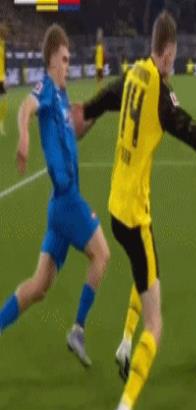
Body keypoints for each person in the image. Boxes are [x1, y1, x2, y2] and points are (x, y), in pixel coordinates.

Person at [73, 11, 196, 410]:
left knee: (145, 272)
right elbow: (190, 130)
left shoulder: (133, 74)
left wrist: (86, 111)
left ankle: (124, 342)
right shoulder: (161, 96)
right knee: (157, 324)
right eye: (174, 56)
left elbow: (107, 97)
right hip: (134, 214)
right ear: (166, 53)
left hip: (116, 205)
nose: (173, 63)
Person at [0, 25, 110, 369]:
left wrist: (98, 112)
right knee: (102, 255)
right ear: (50, 60)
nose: (67, 65)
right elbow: (25, 107)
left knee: (38, 287)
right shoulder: (46, 89)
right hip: (66, 200)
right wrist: (23, 136)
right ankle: (78, 329)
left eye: (68, 59)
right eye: (63, 59)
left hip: (58, 206)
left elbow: (74, 133)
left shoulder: (62, 98)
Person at [0, 23, 7, 136]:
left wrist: (5, 73)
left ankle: (0, 124)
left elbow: (4, 60)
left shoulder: (3, 44)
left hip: (1, 78)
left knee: (4, 101)